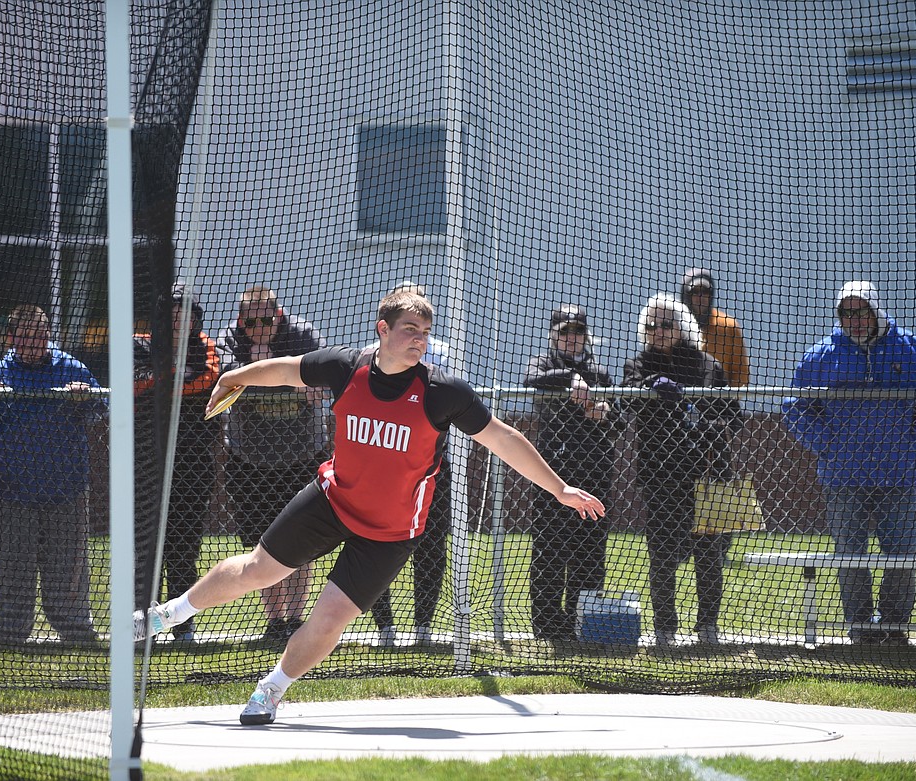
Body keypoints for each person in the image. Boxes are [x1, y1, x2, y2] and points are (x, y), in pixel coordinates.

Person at [133, 289, 605, 725]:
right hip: (333, 499)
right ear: (383, 329)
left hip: (391, 531)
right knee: (259, 568)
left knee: (329, 618)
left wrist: (560, 489)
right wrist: (235, 375)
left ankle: (271, 690)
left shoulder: (444, 392)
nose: (419, 340)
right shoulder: (345, 367)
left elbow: (505, 438)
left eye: (424, 332)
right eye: (409, 331)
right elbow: (285, 368)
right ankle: (167, 614)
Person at [783, 281, 916, 646]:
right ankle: (860, 626)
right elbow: (794, 409)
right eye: (847, 313)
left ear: (876, 311)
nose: (855, 320)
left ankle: (893, 626)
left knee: (902, 555)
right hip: (843, 477)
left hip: (899, 474)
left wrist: (915, 443)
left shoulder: (914, 351)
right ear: (839, 316)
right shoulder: (820, 357)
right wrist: (827, 445)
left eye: (862, 312)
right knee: (849, 554)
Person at [0, 305, 106, 645]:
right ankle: (9, 632)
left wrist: (82, 399)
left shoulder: (70, 366)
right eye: (26, 336)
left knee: (69, 566)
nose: (34, 342)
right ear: (12, 338)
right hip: (10, 488)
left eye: (41, 335)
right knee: (11, 565)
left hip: (67, 487)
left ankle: (76, 631)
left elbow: (102, 407)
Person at [622, 293, 738, 648]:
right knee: (662, 557)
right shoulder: (639, 364)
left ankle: (707, 627)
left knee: (709, 556)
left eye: (666, 324)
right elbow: (625, 399)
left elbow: (732, 418)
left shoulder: (707, 365)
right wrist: (648, 388)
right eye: (651, 325)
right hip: (659, 475)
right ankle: (664, 630)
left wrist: (699, 417)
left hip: (706, 474)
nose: (658, 330)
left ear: (682, 326)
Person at [219, 284, 326, 643]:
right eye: (251, 323)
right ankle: (275, 621)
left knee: (302, 542)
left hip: (302, 456)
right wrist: (270, 371)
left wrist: (258, 374)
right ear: (241, 321)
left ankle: (295, 620)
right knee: (263, 544)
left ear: (278, 315)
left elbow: (316, 384)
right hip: (250, 459)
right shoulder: (230, 340)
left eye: (267, 319)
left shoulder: (302, 334)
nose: (259, 328)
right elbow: (230, 381)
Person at [522, 304, 624, 641]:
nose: (572, 338)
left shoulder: (601, 374)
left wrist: (604, 413)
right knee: (550, 548)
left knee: (590, 549)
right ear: (553, 334)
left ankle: (583, 622)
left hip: (593, 471)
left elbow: (620, 422)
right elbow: (530, 379)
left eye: (578, 331)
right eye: (565, 331)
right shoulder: (545, 364)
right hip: (553, 472)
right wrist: (570, 379)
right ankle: (547, 624)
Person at [133, 283, 221, 643]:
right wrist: (171, 373)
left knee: (184, 547)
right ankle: (140, 628)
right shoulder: (139, 342)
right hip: (147, 461)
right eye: (171, 311)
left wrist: (165, 376)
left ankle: (182, 626)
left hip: (194, 461)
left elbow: (209, 379)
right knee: (146, 547)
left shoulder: (206, 346)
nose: (178, 318)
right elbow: (137, 382)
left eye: (185, 311)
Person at [368, 282, 454, 646]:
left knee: (432, 544)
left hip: (430, 466)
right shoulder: (372, 354)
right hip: (380, 467)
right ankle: (384, 626)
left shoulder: (445, 354)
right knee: (373, 543)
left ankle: (423, 626)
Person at [680, 269, 750, 388]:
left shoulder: (728, 326)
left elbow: (740, 372)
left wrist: (729, 400)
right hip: (682, 399)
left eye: (705, 291)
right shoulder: (674, 325)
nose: (700, 297)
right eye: (695, 292)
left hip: (719, 401)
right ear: (686, 295)